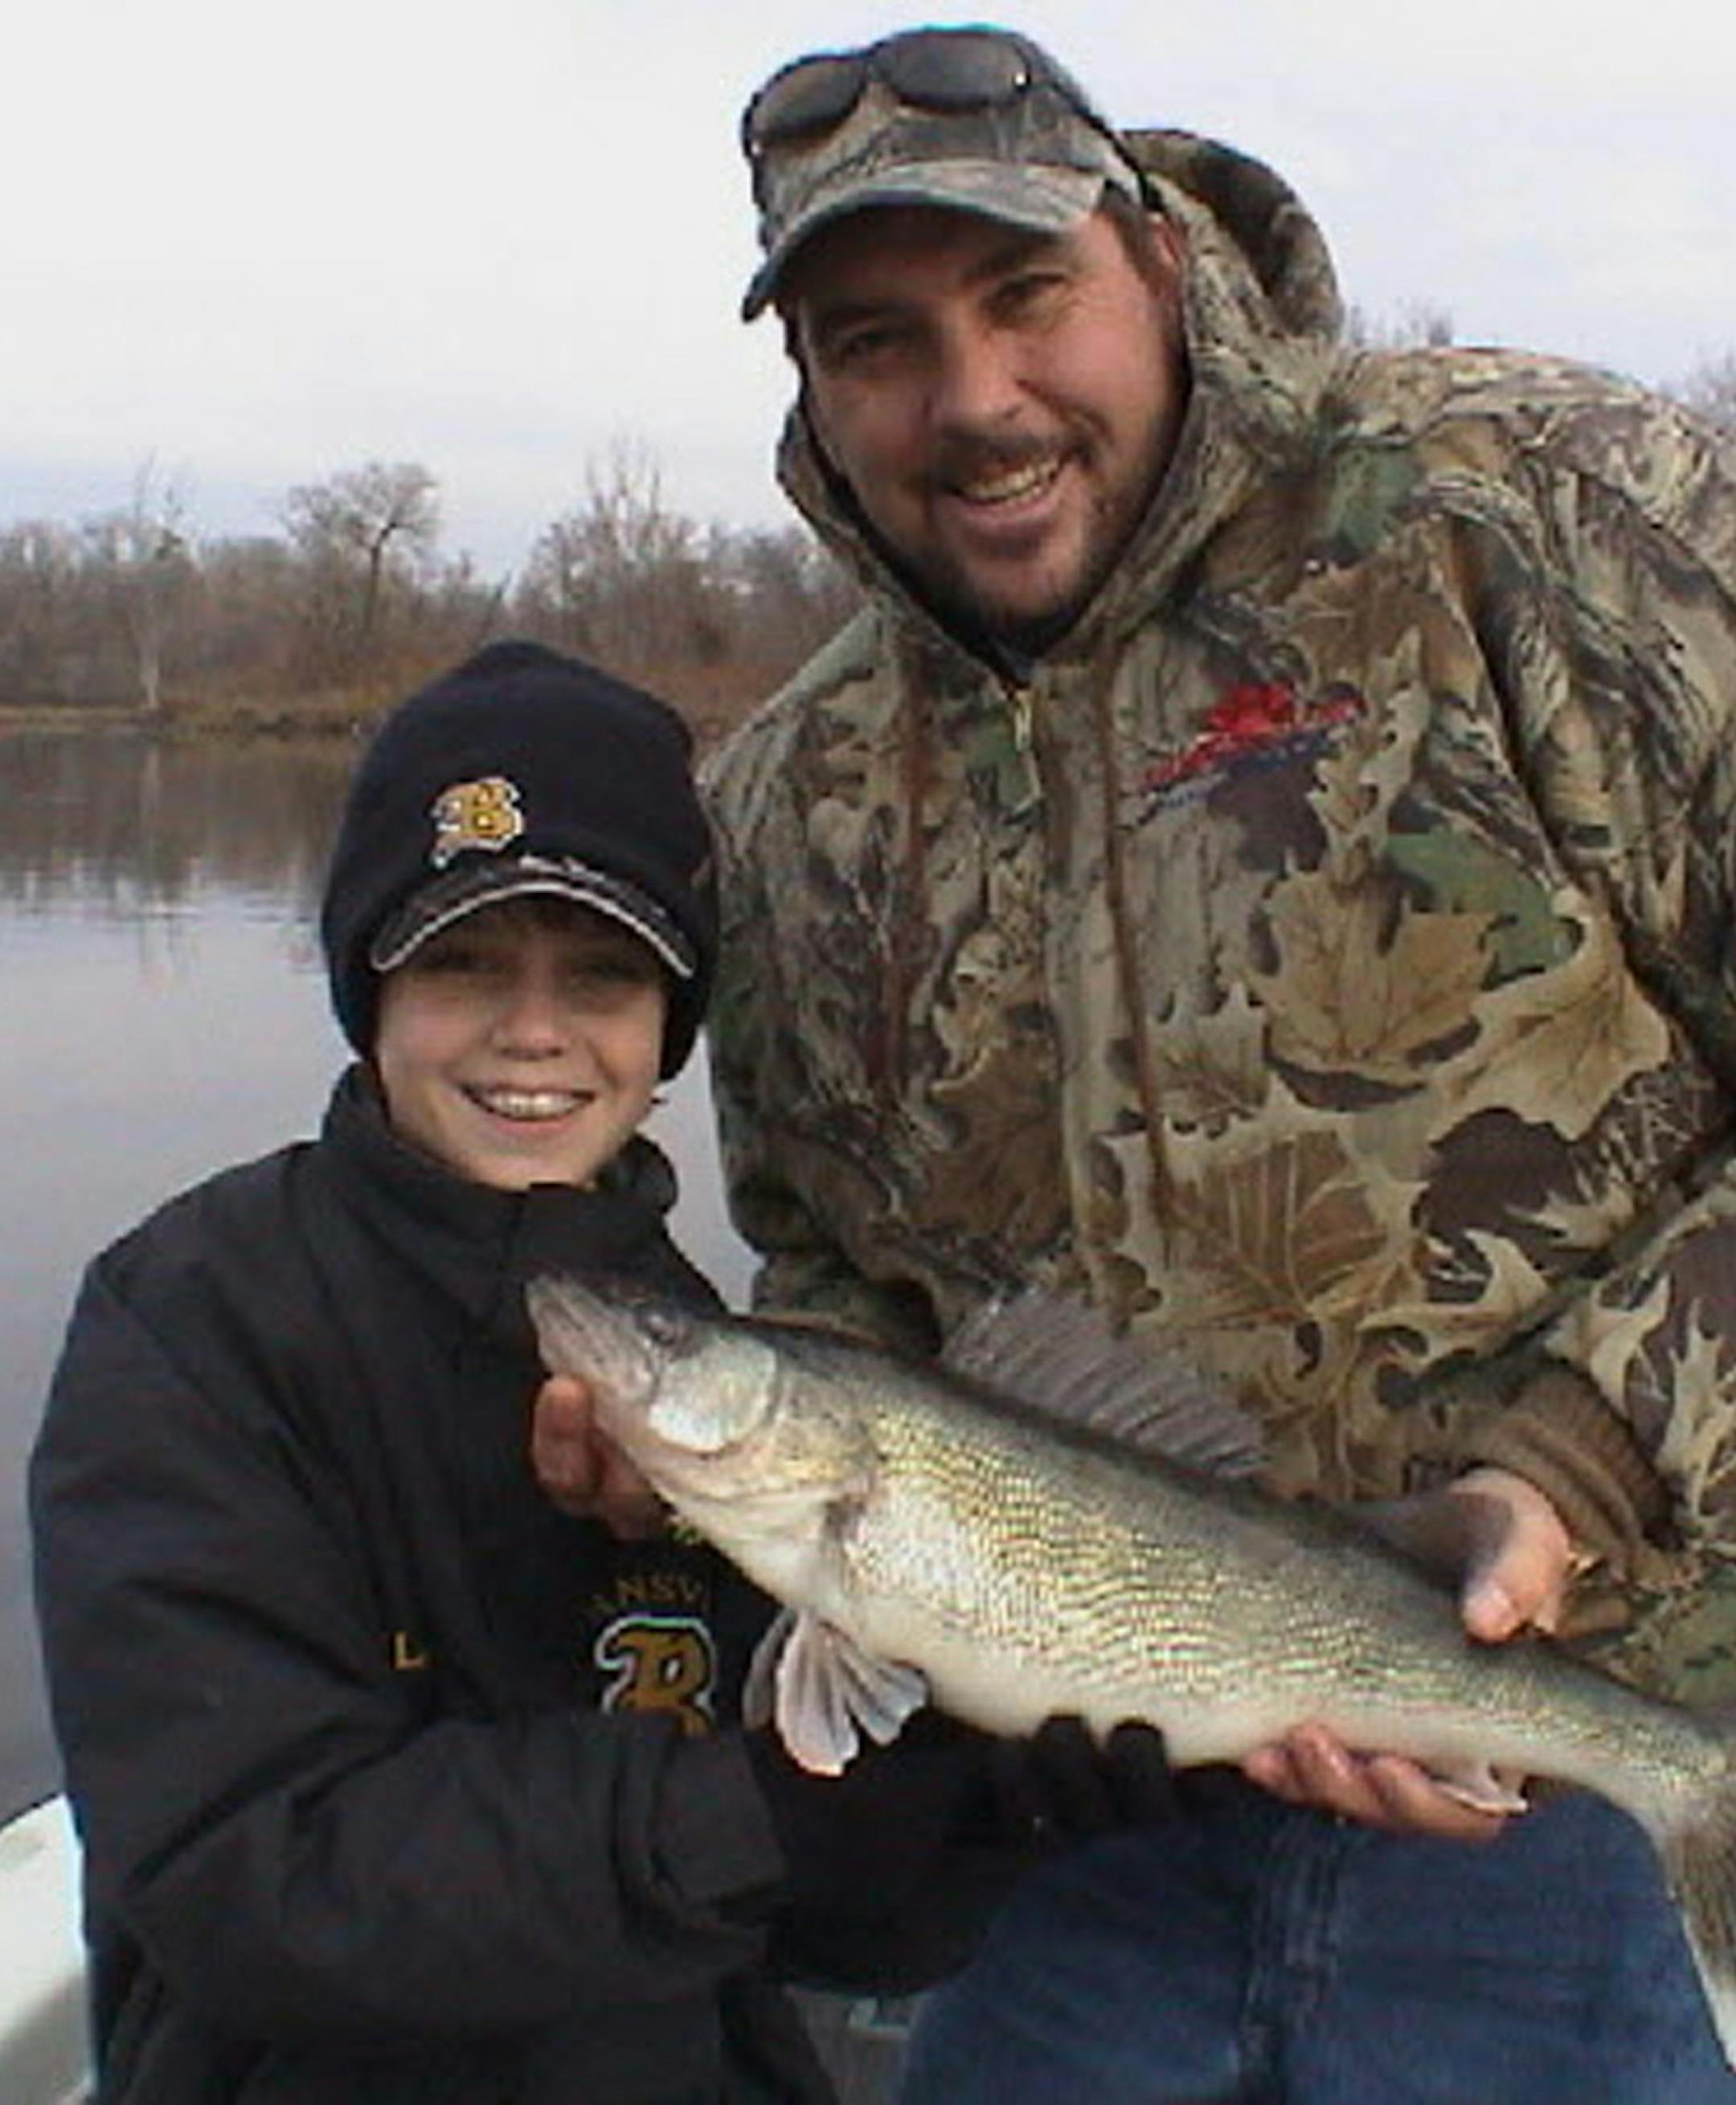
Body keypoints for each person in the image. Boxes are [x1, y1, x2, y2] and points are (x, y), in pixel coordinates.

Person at [702, 22, 1736, 2104]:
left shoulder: (1536, 516)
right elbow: (833, 1285)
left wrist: (1574, 1471)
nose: (975, 401)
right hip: (1102, 1845)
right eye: (876, 339)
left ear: (1159, 258)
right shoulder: (796, 798)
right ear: (808, 383)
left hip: (1580, 1782)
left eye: (1025, 296)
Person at [29, 637, 1071, 2104]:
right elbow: (251, 1878)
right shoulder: (198, 1321)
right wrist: (747, 1818)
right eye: (460, 963)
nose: (534, 1032)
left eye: (602, 975)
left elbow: (839, 1925)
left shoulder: (721, 1372)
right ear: (370, 994)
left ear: (667, 1031)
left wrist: (979, 1809)